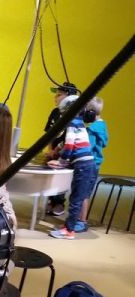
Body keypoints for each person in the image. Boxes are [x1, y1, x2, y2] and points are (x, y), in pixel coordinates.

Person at [48, 95, 96, 240]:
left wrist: (61, 162)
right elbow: (74, 145)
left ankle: (69, 231)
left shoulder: (71, 123)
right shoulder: (79, 123)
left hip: (82, 166)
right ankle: (68, 227)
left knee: (75, 199)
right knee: (76, 198)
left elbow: (69, 145)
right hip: (86, 164)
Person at [44, 81, 79, 216]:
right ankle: (51, 200)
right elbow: (49, 133)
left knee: (61, 177)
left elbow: (69, 138)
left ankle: (59, 202)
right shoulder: (54, 112)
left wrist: (57, 150)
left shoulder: (73, 115)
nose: (55, 97)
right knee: (51, 176)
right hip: (53, 151)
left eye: (59, 95)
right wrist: (50, 149)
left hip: (65, 152)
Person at [78, 96, 108, 227]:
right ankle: (80, 220)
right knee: (85, 193)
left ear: (90, 113)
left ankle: (81, 221)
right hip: (95, 165)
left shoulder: (92, 129)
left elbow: (86, 147)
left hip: (88, 164)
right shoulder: (102, 126)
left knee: (82, 193)